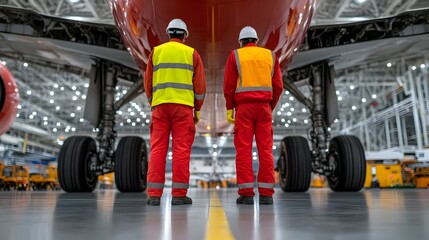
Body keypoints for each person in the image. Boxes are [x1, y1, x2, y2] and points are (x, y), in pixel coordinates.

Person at [144, 18, 206, 206]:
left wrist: (153, 102)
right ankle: (179, 195)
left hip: (160, 106)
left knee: (157, 149)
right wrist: (197, 108)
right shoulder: (192, 54)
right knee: (181, 151)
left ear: (168, 33)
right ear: (185, 35)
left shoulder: (157, 52)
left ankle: (154, 195)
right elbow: (201, 87)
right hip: (183, 108)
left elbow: (148, 83)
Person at [223, 26, 283, 205]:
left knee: (243, 150)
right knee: (265, 151)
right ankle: (266, 194)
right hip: (264, 108)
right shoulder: (270, 56)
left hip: (244, 109)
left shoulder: (236, 56)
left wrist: (230, 108)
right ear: (256, 40)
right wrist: (270, 106)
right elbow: (278, 86)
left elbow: (229, 86)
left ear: (241, 42)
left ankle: (247, 193)